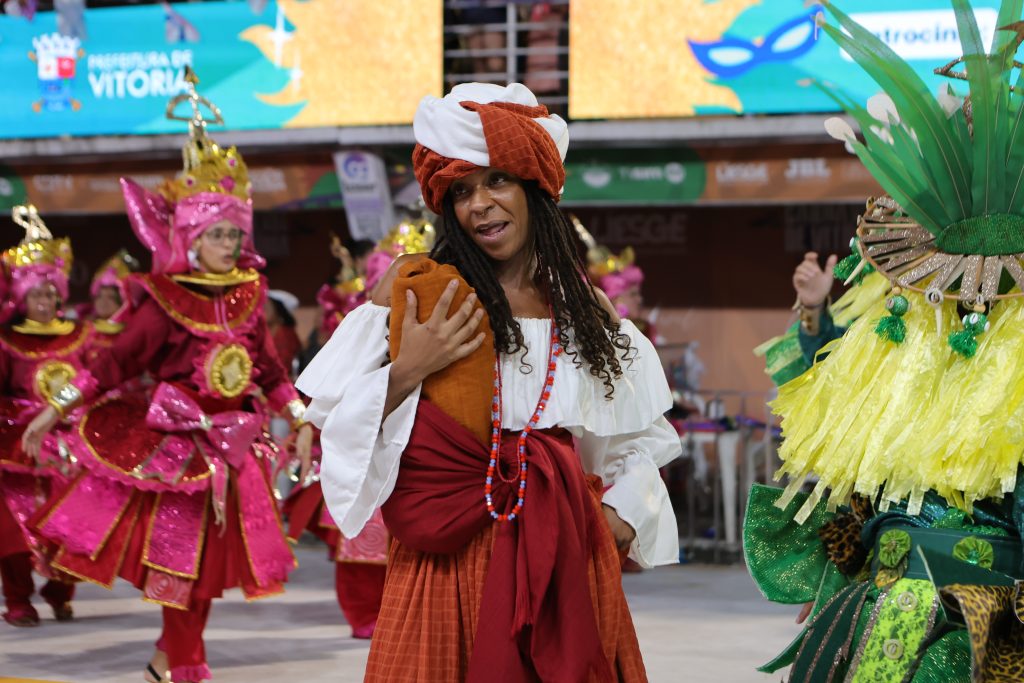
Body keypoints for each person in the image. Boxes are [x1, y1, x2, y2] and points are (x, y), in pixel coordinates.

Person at [298, 82, 680, 681]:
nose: (479, 204)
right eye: (461, 191)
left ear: (535, 187)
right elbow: (332, 417)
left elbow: (640, 439)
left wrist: (617, 519)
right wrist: (410, 369)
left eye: (496, 181)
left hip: (562, 552)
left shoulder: (584, 307)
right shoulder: (418, 289)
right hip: (444, 562)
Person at [745, 4, 1024, 680]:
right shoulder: (898, 316)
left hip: (975, 614)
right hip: (873, 594)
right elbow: (829, 398)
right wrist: (814, 315)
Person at [23, 71, 310, 683]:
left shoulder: (250, 296)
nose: (230, 244)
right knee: (177, 560)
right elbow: (112, 365)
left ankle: (170, 655)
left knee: (211, 566)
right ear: (190, 236)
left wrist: (304, 419)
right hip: (174, 448)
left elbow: (270, 371)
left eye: (236, 233)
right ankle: (186, 662)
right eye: (218, 234)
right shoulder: (162, 300)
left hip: (234, 446)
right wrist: (53, 410)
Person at [0, 205, 81, 627]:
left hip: (69, 446)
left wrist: (60, 410)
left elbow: (89, 381)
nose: (45, 303)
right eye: (37, 295)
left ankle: (59, 591)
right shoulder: (6, 340)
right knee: (13, 527)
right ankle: (18, 598)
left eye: (51, 294)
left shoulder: (79, 337)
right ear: (21, 297)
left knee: (69, 525)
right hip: (18, 446)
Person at [266, 289, 302, 377]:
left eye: (267, 307)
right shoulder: (266, 333)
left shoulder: (285, 334)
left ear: (279, 311)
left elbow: (282, 367)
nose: (262, 310)